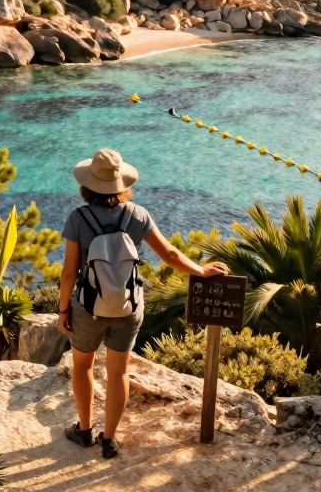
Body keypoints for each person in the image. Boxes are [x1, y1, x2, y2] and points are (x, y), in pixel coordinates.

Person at [57, 148, 227, 459]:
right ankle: (109, 439)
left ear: (86, 185)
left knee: (82, 367)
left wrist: (63, 309)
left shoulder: (77, 218)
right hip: (128, 306)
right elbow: (171, 256)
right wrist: (202, 271)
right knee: (119, 372)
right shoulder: (137, 215)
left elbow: (69, 272)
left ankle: (83, 430)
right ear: (121, 183)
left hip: (88, 307)